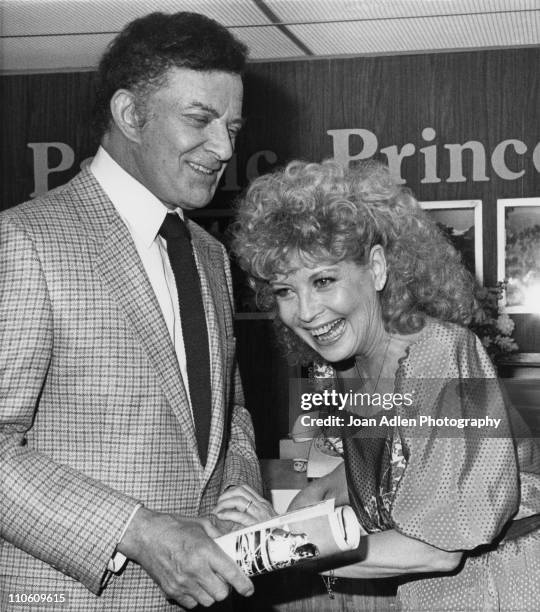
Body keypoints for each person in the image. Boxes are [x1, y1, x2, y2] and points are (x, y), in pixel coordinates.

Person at [0, 11, 267, 611]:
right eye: (200, 120)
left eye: (233, 125)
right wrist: (140, 532)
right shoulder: (26, 241)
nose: (224, 148)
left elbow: (233, 409)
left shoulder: (210, 256)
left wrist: (240, 487)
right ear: (129, 115)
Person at [230, 159, 540, 610]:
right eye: (284, 290)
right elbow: (355, 477)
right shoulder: (347, 369)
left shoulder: (441, 356)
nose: (306, 311)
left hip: (512, 583)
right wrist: (267, 527)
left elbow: (437, 548)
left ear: (376, 268)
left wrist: (275, 546)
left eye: (323, 280)